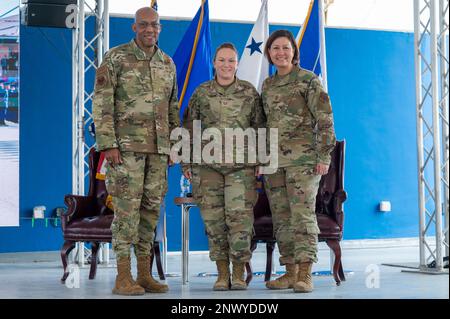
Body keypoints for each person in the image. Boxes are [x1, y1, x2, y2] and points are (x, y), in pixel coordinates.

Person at [92, 7, 179, 296]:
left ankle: (144, 275)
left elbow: (173, 108)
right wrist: (109, 144)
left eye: (154, 25)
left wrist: (174, 146)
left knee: (150, 212)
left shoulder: (167, 63)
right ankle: (122, 277)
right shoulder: (116, 58)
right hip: (125, 150)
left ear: (160, 27)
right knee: (127, 213)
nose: (149, 29)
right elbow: (102, 104)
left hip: (158, 151)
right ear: (134, 27)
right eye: (143, 25)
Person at [182, 43, 265, 290]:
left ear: (237, 63)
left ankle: (238, 273)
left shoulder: (249, 92)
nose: (226, 65)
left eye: (231, 60)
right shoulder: (202, 92)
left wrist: (261, 160)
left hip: (241, 167)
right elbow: (189, 128)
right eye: (221, 60)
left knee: (239, 221)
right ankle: (221, 273)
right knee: (214, 222)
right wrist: (186, 161)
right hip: (207, 168)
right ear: (214, 63)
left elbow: (261, 127)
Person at [261, 30, 336, 293]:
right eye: (275, 48)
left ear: (294, 52)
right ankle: (290, 271)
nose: (280, 53)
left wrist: (324, 156)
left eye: (285, 48)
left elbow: (325, 119)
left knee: (302, 216)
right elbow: (264, 124)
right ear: (269, 53)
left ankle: (306, 273)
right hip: (273, 163)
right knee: (281, 218)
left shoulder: (308, 80)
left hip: (303, 162)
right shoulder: (267, 86)